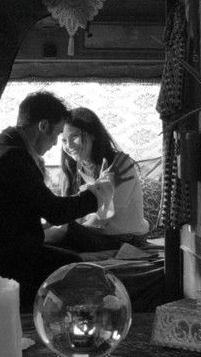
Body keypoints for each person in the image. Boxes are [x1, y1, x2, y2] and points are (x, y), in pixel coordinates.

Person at [0, 91, 114, 307]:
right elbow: (55, 211)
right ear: (43, 126)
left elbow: (33, 205)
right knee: (73, 266)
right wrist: (97, 195)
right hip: (10, 257)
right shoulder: (13, 157)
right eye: (57, 135)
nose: (55, 144)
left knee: (70, 250)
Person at [47, 107, 151, 254]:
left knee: (59, 235)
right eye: (64, 140)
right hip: (94, 235)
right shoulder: (72, 170)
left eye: (74, 136)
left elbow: (102, 219)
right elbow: (66, 213)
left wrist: (68, 231)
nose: (68, 145)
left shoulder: (121, 164)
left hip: (127, 238)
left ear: (93, 135)